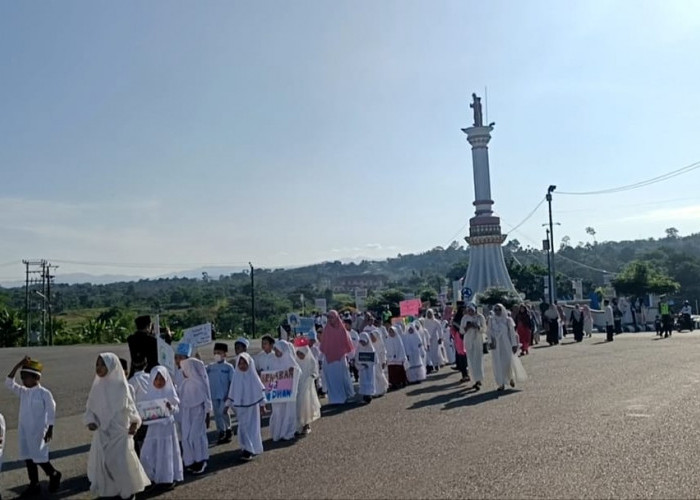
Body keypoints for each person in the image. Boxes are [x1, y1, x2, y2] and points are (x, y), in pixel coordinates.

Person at [84, 353, 150, 499]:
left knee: (122, 464)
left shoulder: (121, 386)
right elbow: (90, 409)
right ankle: (112, 491)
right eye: (97, 364)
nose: (99, 368)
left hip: (120, 433)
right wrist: (91, 421)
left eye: (102, 364)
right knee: (106, 464)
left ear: (111, 366)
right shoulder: (96, 387)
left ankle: (128, 492)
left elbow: (131, 408)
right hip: (103, 434)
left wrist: (134, 423)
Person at [6, 356, 61, 496]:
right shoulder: (24, 392)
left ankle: (53, 474)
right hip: (24, 430)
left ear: (36, 377)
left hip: (38, 431)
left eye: (25, 377)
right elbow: (9, 382)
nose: (23, 380)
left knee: (40, 457)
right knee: (28, 457)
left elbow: (51, 410)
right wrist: (18, 364)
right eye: (22, 376)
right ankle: (34, 484)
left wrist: (50, 428)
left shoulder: (44, 394)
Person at [139, 366, 183, 491]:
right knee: (147, 452)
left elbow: (177, 409)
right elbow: (144, 410)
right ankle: (150, 477)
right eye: (156, 379)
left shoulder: (170, 392)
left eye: (161, 378)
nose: (159, 381)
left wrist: (171, 408)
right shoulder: (149, 393)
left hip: (166, 428)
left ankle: (167, 478)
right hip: (153, 428)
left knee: (166, 453)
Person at [228, 353, 266, 461]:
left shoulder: (253, 377)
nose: (242, 366)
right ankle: (245, 447)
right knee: (242, 427)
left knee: (251, 428)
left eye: (244, 363)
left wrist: (262, 406)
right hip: (240, 408)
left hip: (252, 408)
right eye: (240, 364)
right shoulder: (237, 376)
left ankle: (250, 449)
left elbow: (259, 391)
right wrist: (227, 405)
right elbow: (232, 392)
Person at [178, 358, 212, 475]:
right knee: (186, 437)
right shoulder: (184, 383)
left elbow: (206, 399)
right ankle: (190, 461)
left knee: (196, 436)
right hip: (187, 413)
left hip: (198, 412)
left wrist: (207, 413)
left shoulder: (199, 383)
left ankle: (201, 460)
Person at [320, 311, 356, 404]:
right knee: (331, 380)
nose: (330, 319)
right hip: (329, 360)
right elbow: (323, 346)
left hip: (340, 359)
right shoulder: (326, 330)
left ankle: (343, 397)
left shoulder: (342, 329)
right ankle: (334, 399)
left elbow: (347, 344)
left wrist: (352, 357)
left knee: (341, 378)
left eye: (332, 317)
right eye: (329, 317)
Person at [269, 340, 300, 441]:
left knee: (288, 411)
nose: (276, 352)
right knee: (277, 412)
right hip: (277, 393)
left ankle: (287, 432)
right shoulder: (273, 360)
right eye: (275, 350)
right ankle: (277, 432)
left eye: (278, 350)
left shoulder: (289, 360)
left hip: (288, 393)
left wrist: (293, 370)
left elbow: (298, 371)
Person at [207, 342, 234, 445]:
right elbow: (201, 372)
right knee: (217, 414)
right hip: (214, 394)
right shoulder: (210, 367)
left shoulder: (228, 367)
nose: (217, 354)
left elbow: (232, 381)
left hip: (224, 395)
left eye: (219, 352)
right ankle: (220, 431)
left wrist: (229, 394)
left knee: (224, 412)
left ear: (225, 354)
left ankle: (228, 429)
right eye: (215, 352)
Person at [488, 304, 519, 391]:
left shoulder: (507, 320)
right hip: (496, 345)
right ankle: (501, 383)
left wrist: (514, 344)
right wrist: (490, 342)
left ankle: (511, 378)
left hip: (506, 344)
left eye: (499, 309)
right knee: (497, 363)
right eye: (496, 309)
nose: (497, 311)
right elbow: (489, 331)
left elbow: (512, 333)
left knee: (508, 362)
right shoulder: (491, 320)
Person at [295, 344, 321, 435]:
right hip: (297, 387)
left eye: (302, 353)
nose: (300, 355)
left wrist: (311, 378)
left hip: (307, 388)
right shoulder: (295, 361)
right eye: (298, 353)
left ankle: (306, 424)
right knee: (297, 406)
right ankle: (298, 425)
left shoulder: (311, 361)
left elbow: (315, 372)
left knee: (306, 406)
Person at [461, 303, 486, 389]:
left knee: (478, 360)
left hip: (478, 341)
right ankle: (475, 379)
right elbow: (461, 330)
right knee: (471, 361)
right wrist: (467, 327)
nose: (470, 312)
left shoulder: (480, 317)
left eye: (472, 310)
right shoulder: (465, 318)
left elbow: (484, 329)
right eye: (469, 310)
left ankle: (479, 379)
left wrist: (477, 327)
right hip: (468, 342)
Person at [355, 332, 377, 403]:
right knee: (363, 381)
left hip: (369, 369)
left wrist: (368, 364)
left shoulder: (371, 348)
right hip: (362, 369)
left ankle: (369, 395)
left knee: (369, 381)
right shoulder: (359, 348)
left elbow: (375, 360)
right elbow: (357, 359)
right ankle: (365, 395)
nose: (363, 343)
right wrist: (361, 364)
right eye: (361, 341)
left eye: (364, 341)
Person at [385, 325, 408, 390]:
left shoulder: (398, 339)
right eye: (390, 332)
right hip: (390, 359)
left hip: (398, 358)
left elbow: (401, 349)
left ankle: (402, 381)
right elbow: (386, 349)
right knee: (392, 372)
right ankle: (393, 384)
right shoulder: (387, 340)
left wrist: (400, 356)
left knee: (399, 371)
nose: (391, 333)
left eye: (392, 332)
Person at [369, 329, 389, 396]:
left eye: (373, 337)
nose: (372, 338)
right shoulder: (370, 344)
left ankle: (381, 389)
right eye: (371, 337)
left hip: (379, 363)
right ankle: (375, 391)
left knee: (379, 375)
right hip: (372, 363)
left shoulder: (380, 344)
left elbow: (383, 353)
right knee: (374, 376)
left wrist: (383, 361)